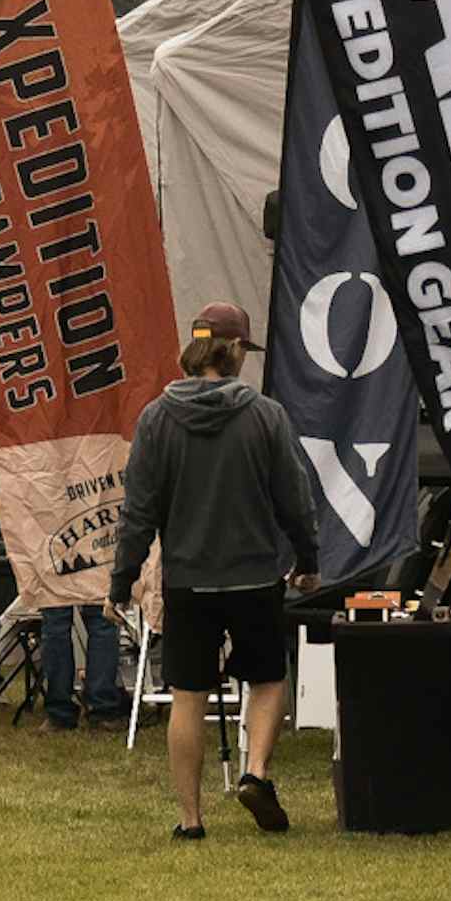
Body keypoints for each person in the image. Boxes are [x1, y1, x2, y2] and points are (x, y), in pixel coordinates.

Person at [109, 302, 321, 839]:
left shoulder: (156, 419)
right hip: (254, 575)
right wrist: (307, 558)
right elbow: (295, 499)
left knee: (189, 694)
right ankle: (255, 772)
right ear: (231, 352)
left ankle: (191, 818)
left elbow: (138, 511)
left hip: (188, 579)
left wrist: (122, 578)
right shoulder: (266, 416)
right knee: (269, 678)